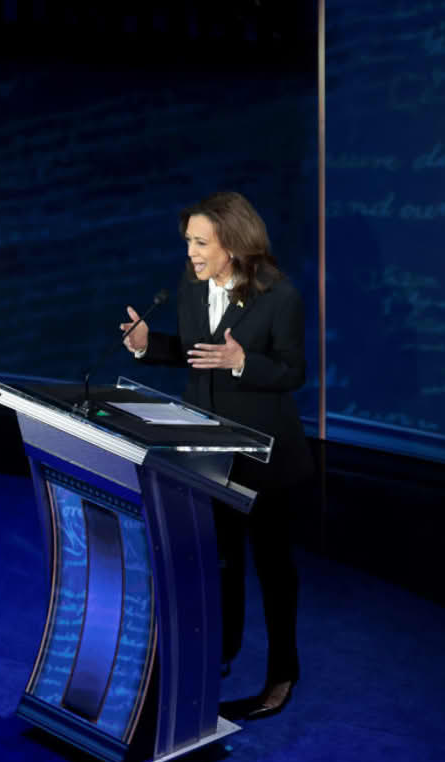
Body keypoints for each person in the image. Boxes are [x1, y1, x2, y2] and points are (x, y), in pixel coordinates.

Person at [121, 191, 313, 720]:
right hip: (208, 451)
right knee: (220, 560)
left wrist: (242, 361)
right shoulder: (191, 286)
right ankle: (220, 654)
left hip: (266, 457)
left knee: (274, 569)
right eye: (189, 243)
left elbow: (294, 372)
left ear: (232, 242)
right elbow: (193, 350)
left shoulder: (281, 296)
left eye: (201, 243)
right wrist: (146, 346)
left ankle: (282, 674)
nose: (192, 254)